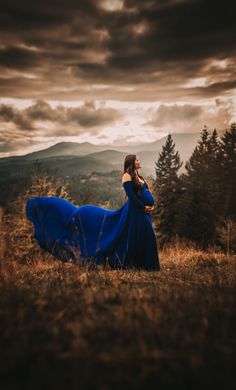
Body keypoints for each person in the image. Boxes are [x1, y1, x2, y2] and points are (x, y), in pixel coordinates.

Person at [26, 154, 160, 271]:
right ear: (131, 162)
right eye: (137, 160)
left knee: (146, 236)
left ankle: (148, 265)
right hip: (136, 211)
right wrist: (143, 207)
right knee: (140, 236)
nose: (140, 161)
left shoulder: (139, 176)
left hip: (143, 212)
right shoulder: (126, 176)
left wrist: (149, 206)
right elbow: (131, 195)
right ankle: (139, 264)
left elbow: (145, 193)